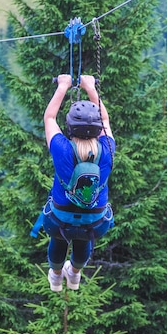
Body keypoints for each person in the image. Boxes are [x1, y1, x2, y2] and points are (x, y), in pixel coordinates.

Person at [41, 74, 115, 291]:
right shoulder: (107, 150)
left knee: (59, 236)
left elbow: (49, 118)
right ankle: (74, 274)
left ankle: (55, 277)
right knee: (84, 236)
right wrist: (91, 87)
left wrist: (63, 86)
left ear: (70, 128)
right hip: (96, 221)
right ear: (97, 128)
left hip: (59, 218)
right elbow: (107, 121)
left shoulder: (61, 149)